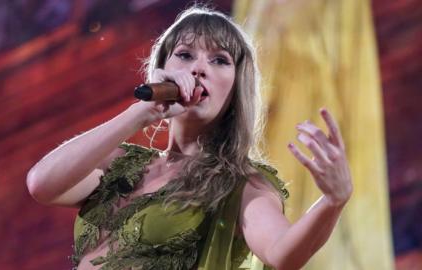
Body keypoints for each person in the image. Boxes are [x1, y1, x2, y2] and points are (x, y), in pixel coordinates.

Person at [26, 5, 353, 270]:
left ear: (235, 88)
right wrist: (140, 113)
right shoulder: (122, 164)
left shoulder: (240, 183)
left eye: (219, 60)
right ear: (162, 68)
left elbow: (283, 253)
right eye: (185, 55)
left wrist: (332, 201)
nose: (198, 69)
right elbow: (42, 183)